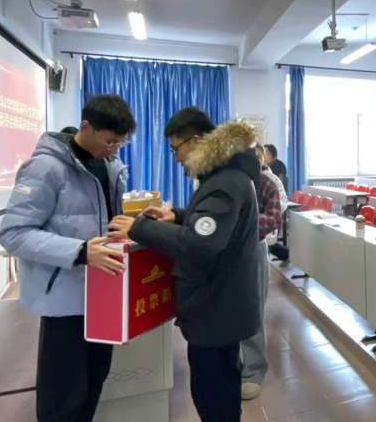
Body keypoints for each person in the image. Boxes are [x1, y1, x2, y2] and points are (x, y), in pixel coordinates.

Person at [108, 108, 261, 422]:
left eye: (176, 148)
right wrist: (176, 216)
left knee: (214, 393)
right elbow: (211, 225)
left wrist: (138, 228)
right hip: (221, 302)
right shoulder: (223, 176)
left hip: (217, 306)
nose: (176, 158)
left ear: (197, 140)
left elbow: (202, 243)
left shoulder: (224, 182)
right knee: (218, 386)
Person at [0, 95, 136, 422]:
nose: (113, 149)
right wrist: (80, 251)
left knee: (94, 380)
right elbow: (14, 233)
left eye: (120, 143)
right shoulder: (45, 167)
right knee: (62, 394)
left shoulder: (110, 166)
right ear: (86, 126)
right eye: (109, 141)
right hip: (64, 299)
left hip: (104, 293)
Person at [241, 146, 283, 401]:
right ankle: (232, 364)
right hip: (224, 250)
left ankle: (252, 371)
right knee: (228, 310)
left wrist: (240, 225)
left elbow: (275, 217)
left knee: (253, 310)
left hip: (253, 247)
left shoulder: (266, 182)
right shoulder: (223, 179)